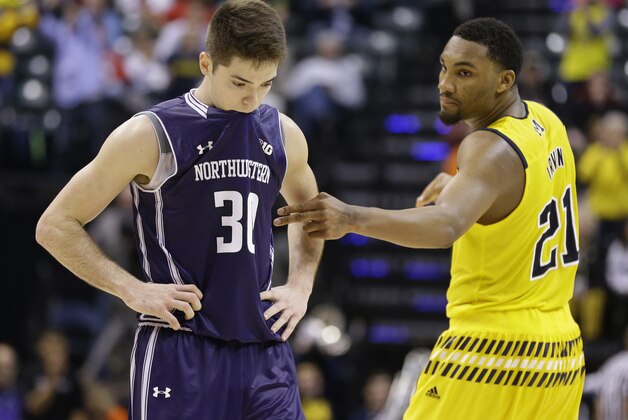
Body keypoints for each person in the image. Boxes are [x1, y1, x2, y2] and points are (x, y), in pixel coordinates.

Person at [274, 17, 585, 419]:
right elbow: (523, 191)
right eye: (444, 66)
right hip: (559, 355)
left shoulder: (486, 148)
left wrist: (352, 217)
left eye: (465, 73)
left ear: (504, 80)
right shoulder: (547, 122)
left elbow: (445, 226)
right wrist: (467, 186)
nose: (446, 83)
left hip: (490, 352)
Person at [35, 1, 324, 419]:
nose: (252, 98)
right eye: (240, 82)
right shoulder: (151, 134)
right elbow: (55, 225)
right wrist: (131, 289)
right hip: (181, 344)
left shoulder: (283, 133)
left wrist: (301, 285)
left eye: (266, 84)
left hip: (264, 348)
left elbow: (310, 213)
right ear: (206, 63)